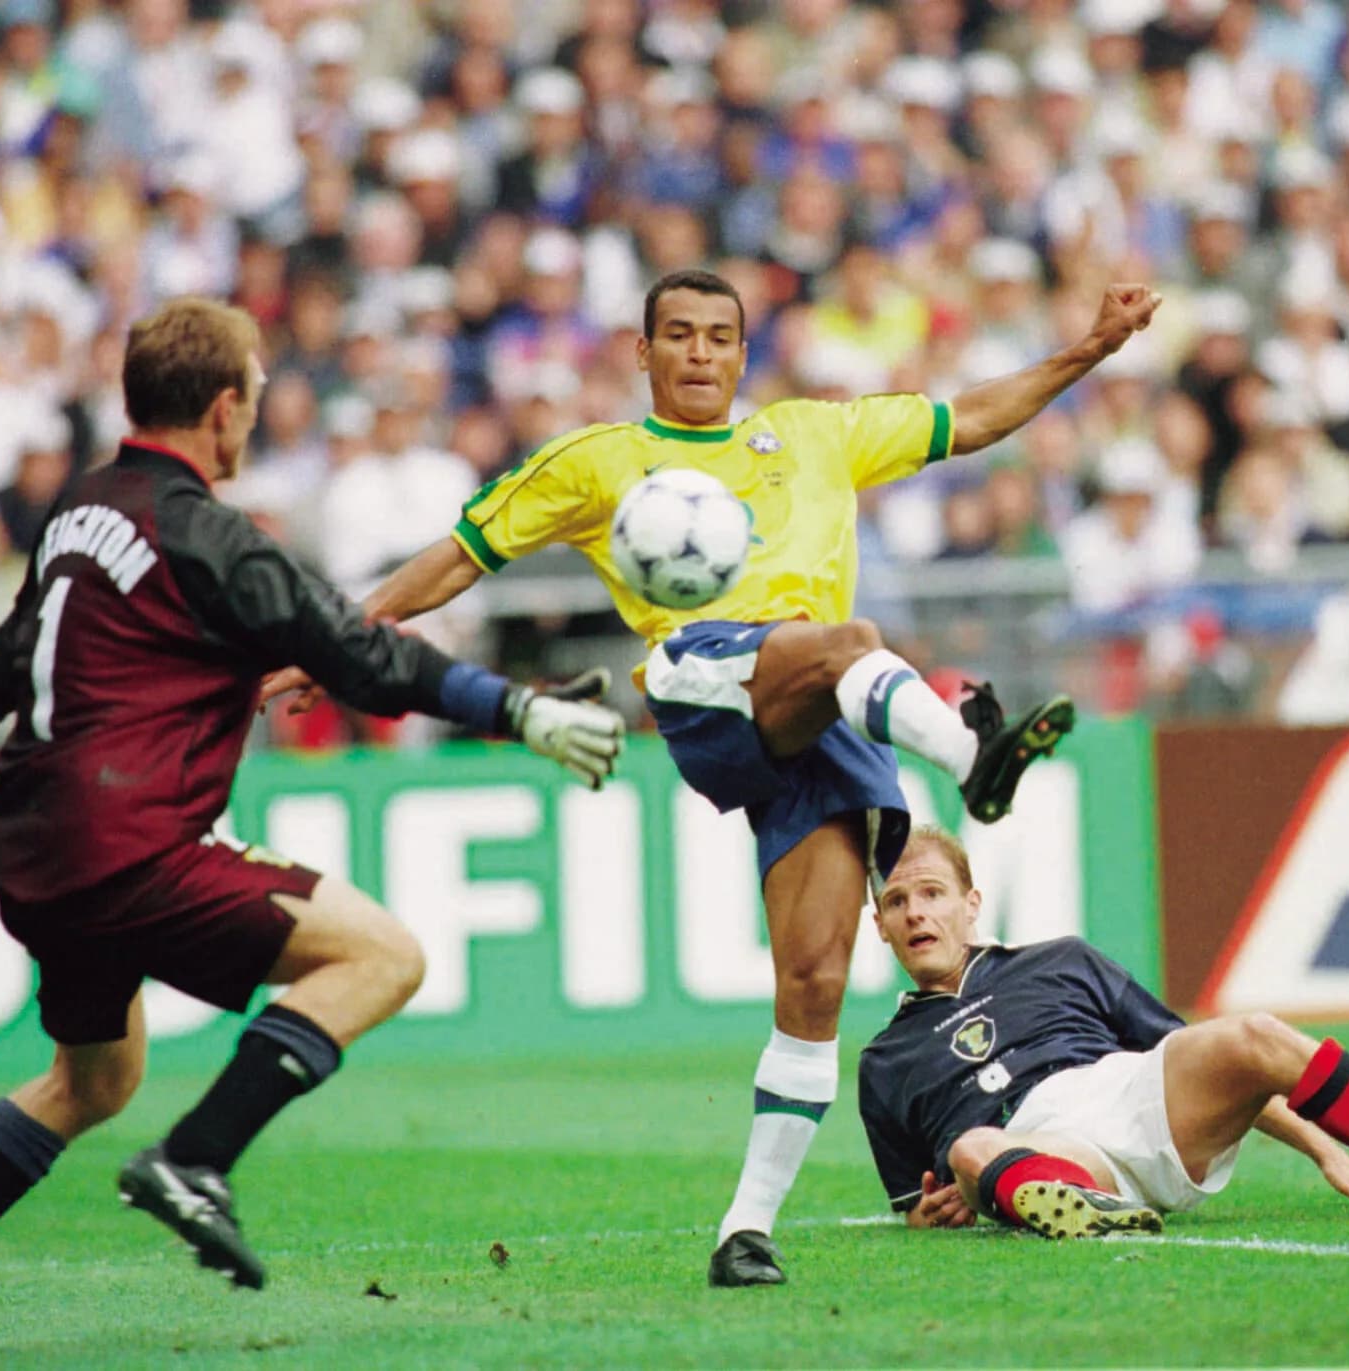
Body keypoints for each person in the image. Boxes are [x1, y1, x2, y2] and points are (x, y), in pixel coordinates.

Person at [262, 269, 1162, 1286]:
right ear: (641, 353)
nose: (699, 353)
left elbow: (975, 417)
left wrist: (1090, 350)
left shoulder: (814, 433)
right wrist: (340, 639)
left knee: (815, 980)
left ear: (743, 352)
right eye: (677, 336)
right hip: (708, 682)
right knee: (846, 639)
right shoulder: (597, 462)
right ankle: (968, 753)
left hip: (832, 719)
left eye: (718, 337)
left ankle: (744, 1232)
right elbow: (463, 556)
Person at [0, 299, 624, 1355]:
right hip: (132, 843)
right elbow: (363, 655)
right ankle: (196, 1158)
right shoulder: (207, 536)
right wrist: (518, 708)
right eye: (252, 396)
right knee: (383, 957)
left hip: (31, 846)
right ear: (222, 408)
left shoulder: (84, 503)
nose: (253, 418)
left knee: (93, 1079)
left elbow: (22, 634)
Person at [858, 827, 1349, 1238]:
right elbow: (912, 1206)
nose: (917, 912)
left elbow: (1214, 1065)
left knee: (1252, 1034)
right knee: (974, 1146)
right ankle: (1090, 1211)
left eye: (931, 892)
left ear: (971, 901)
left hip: (1133, 1094)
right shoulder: (883, 1060)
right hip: (1040, 1146)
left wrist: (1324, 1149)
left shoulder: (1063, 959)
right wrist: (932, 1208)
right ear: (880, 925)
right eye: (896, 900)